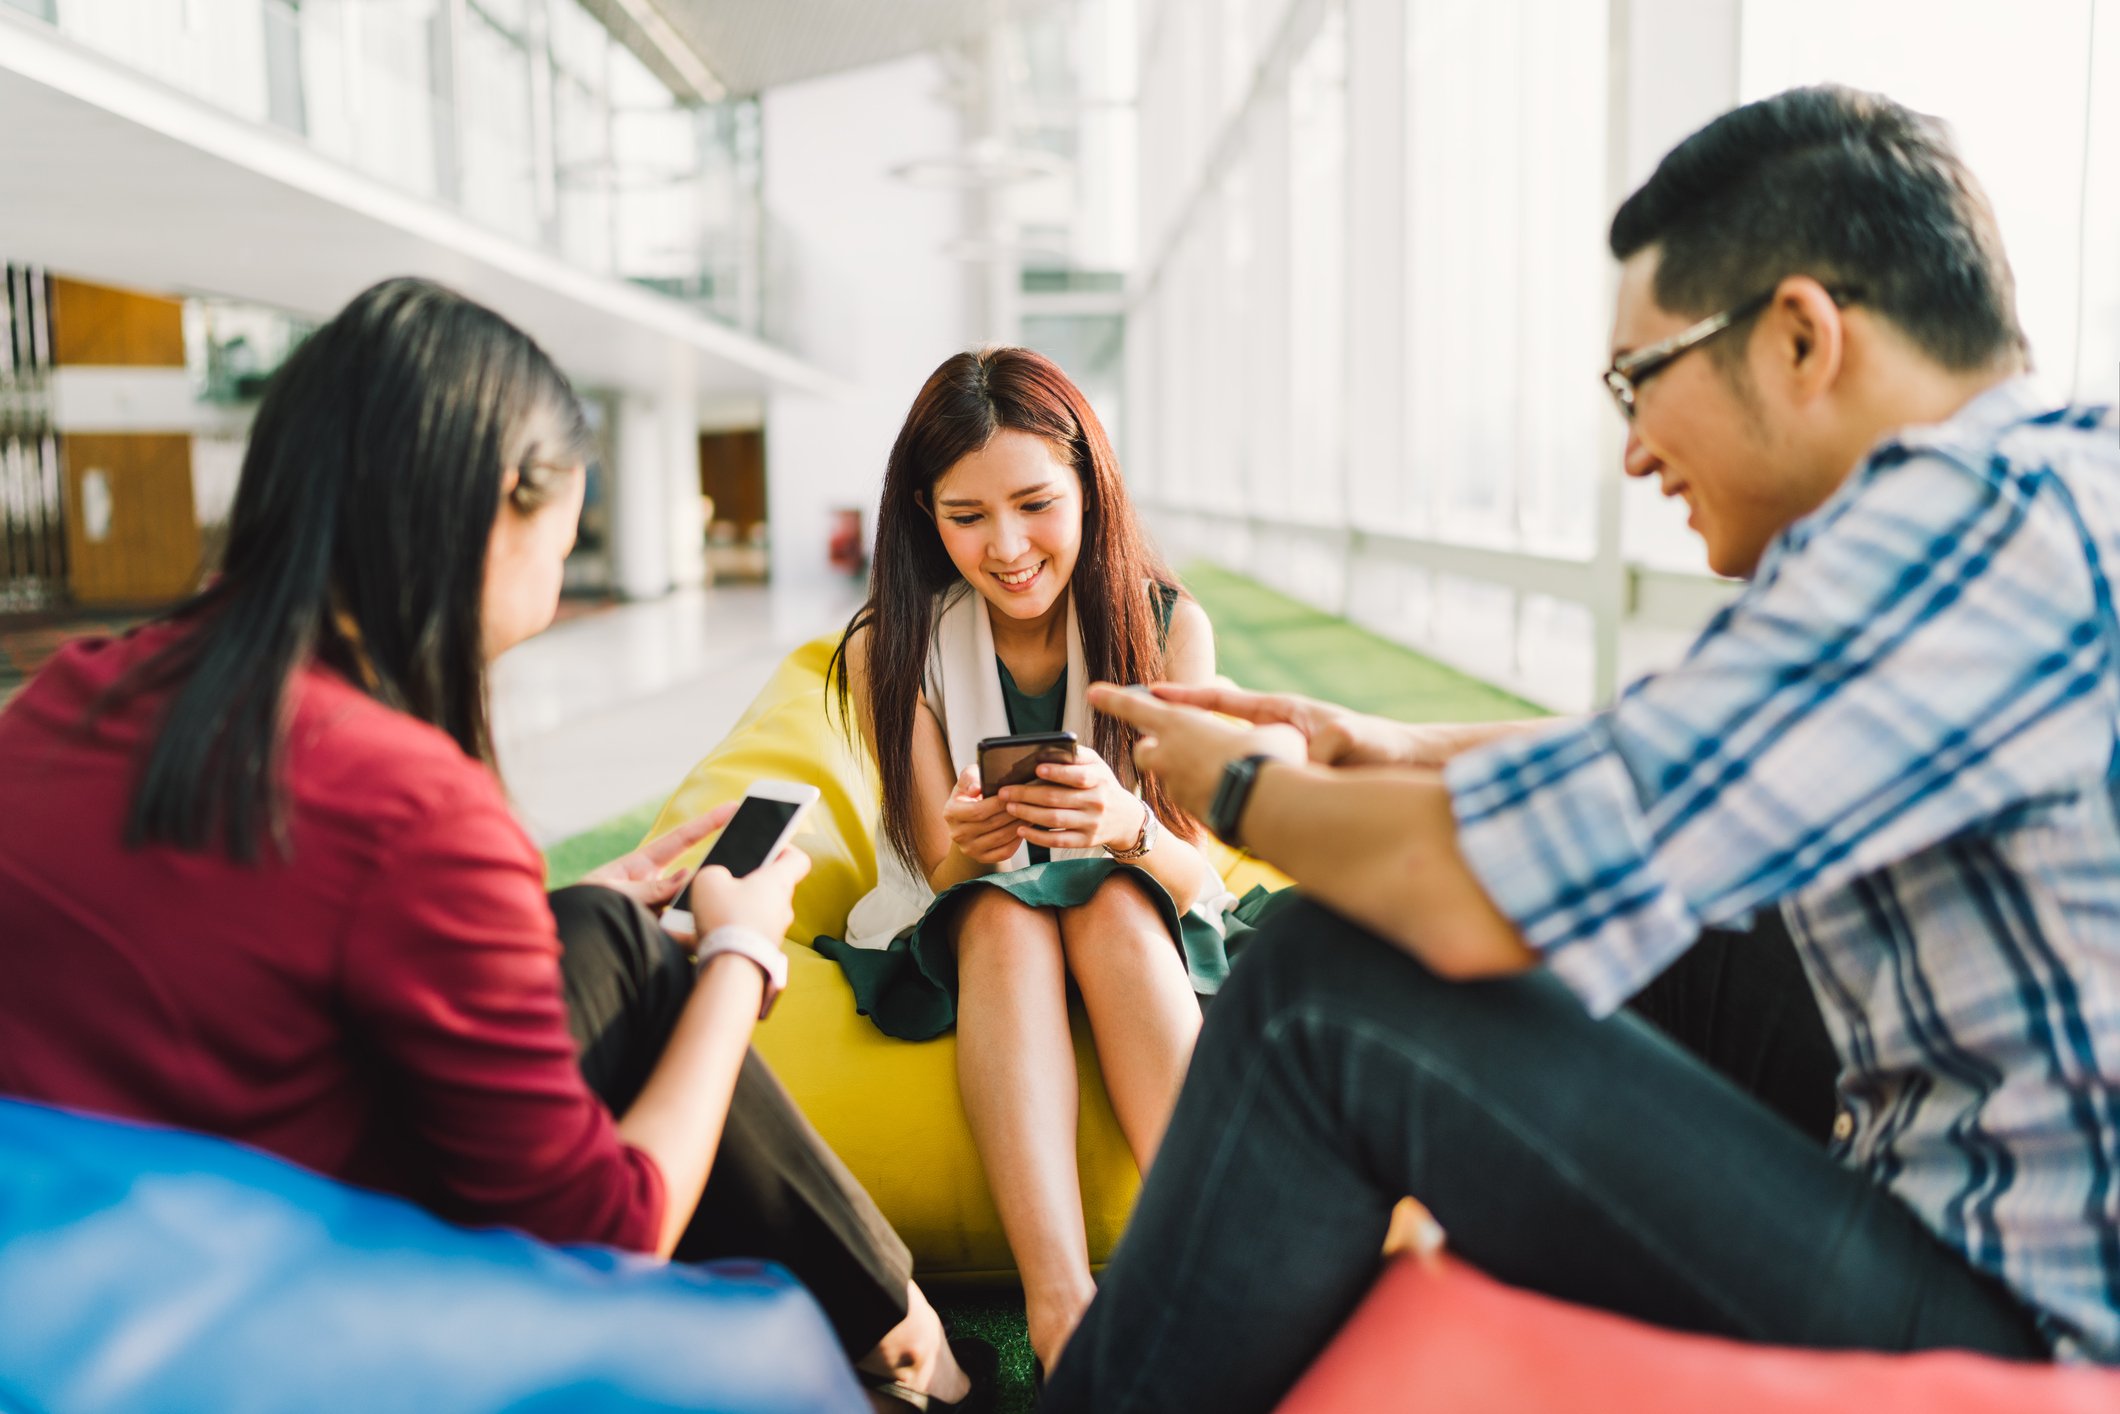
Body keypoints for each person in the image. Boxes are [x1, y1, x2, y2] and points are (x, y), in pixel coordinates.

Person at [1048, 85, 2120, 1412]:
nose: (1629, 452)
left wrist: (1235, 788)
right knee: (1693, 909)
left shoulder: (1949, 526)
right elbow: (1694, 757)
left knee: (1330, 988)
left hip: (2027, 1321)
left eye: (1638, 378)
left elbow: (1470, 889)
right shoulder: (2057, 485)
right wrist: (1379, 744)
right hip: (2027, 1230)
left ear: (1800, 336)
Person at [0, 279, 988, 1412]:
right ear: (499, 509)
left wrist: (545, 905)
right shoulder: (400, 795)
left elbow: (252, 945)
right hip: (285, 1307)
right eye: (566, 541)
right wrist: (740, 956)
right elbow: (604, 1233)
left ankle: (909, 1339)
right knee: (667, 978)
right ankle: (916, 1350)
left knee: (604, 929)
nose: (561, 577)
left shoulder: (65, 694)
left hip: (89, 1256)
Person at [815, 347, 1266, 1372]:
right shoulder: (902, 641)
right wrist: (970, 852)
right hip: (968, 920)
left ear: (1089, 492)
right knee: (1001, 910)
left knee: (1109, 899)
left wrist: (1123, 827)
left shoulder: (1163, 627)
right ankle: (1060, 1313)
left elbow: (1198, 878)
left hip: (1133, 912)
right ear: (923, 516)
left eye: (1033, 504)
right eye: (964, 516)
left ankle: (1201, 1279)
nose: (1006, 547)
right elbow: (934, 870)